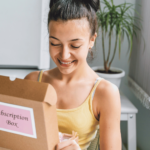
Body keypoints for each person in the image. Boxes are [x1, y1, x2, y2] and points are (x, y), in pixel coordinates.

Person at [24, 0, 122, 150]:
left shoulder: (105, 93)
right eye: (55, 43)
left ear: (91, 40)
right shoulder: (33, 82)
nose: (64, 55)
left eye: (74, 45)